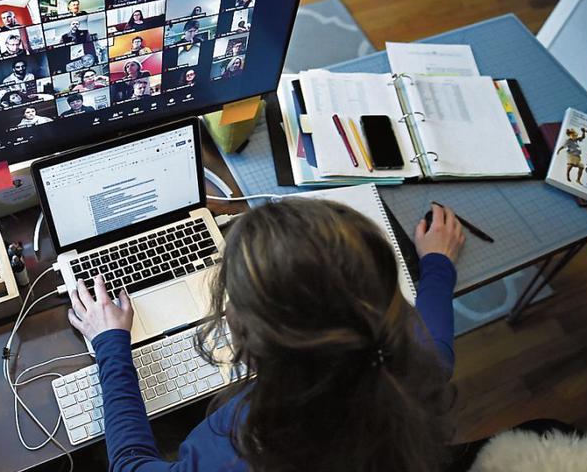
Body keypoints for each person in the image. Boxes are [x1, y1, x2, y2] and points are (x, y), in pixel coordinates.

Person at [68, 200, 463, 471]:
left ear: (251, 340)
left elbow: (131, 465)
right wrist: (437, 263)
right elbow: (438, 345)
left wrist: (110, 344)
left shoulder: (237, 449)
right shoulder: (411, 365)